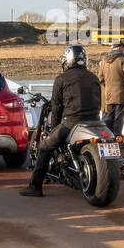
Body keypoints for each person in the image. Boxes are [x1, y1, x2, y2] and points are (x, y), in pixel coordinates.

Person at [20, 44, 102, 197]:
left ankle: (35, 186)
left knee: (45, 146)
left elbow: (56, 107)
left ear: (67, 61)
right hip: (96, 122)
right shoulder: (94, 77)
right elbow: (99, 103)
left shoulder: (62, 79)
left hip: (72, 123)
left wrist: (54, 129)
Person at [97, 40, 124, 139]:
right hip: (121, 95)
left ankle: (108, 138)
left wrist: (108, 85)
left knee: (109, 117)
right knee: (119, 118)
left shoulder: (104, 60)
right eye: (123, 47)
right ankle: (118, 139)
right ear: (118, 48)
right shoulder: (122, 59)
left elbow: (100, 78)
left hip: (108, 95)